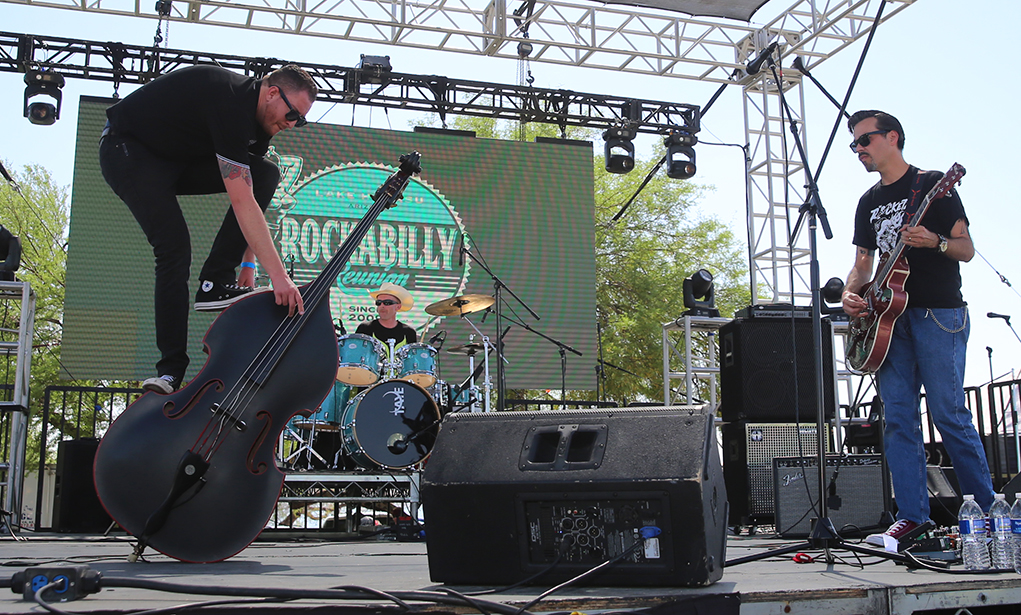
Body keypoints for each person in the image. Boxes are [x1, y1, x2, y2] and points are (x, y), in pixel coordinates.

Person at [99, 64, 316, 394]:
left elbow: (252, 194)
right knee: (174, 246)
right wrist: (280, 278)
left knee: (267, 173)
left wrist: (247, 263)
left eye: (300, 121)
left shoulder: (260, 125)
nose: (292, 125)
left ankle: (215, 281)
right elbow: (242, 201)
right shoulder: (229, 101)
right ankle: (170, 370)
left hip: (177, 160)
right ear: (272, 93)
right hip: (128, 151)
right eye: (292, 115)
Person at [841, 110, 995, 548]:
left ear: (893, 137)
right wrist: (853, 297)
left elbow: (965, 249)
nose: (859, 150)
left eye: (865, 140)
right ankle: (913, 518)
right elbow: (861, 265)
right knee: (899, 421)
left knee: (949, 413)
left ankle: (986, 514)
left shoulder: (933, 185)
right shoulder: (867, 201)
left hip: (936, 314)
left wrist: (936, 242)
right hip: (888, 319)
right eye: (854, 144)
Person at [356, 283, 418, 360]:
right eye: (378, 303)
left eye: (387, 303)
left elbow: (411, 363)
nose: (382, 306)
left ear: (398, 307)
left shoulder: (409, 332)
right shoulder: (365, 328)